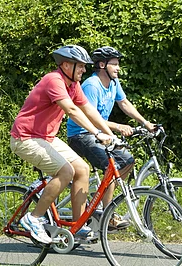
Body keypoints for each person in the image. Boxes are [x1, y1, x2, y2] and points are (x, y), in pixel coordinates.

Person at [10, 44, 116, 245]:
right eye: (81, 66)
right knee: (66, 172)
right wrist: (97, 133)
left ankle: (77, 226)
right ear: (67, 65)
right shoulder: (54, 80)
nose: (85, 70)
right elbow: (72, 111)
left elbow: (89, 110)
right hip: (26, 138)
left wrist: (110, 134)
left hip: (46, 137)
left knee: (82, 169)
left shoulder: (73, 85)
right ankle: (33, 219)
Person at [66, 46, 156, 226]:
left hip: (100, 133)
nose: (118, 68)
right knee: (111, 167)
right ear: (102, 65)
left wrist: (145, 123)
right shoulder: (92, 85)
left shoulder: (114, 83)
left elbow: (124, 103)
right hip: (82, 134)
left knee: (127, 161)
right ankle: (109, 215)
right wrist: (118, 127)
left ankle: (100, 196)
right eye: (114, 64)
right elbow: (91, 117)